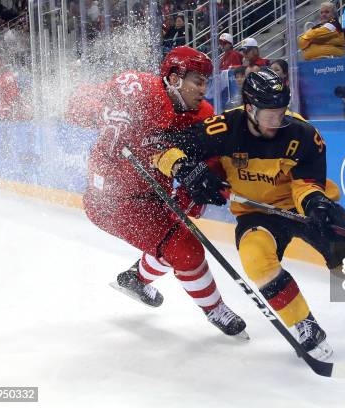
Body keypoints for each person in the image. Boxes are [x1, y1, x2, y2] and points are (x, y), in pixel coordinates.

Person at [152, 68, 345, 361]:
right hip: (257, 214)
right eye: (270, 115)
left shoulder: (303, 134)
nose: (277, 121)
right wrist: (183, 169)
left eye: (282, 112)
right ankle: (303, 323)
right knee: (256, 259)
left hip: (303, 208)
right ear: (250, 108)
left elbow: (307, 183)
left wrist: (316, 206)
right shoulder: (224, 128)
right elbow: (165, 147)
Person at [82, 47, 248, 338]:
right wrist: (104, 112)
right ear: (173, 78)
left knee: (189, 212)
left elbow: (210, 153)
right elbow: (81, 101)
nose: (203, 88)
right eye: (197, 80)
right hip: (113, 201)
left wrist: (211, 177)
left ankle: (136, 279)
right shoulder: (137, 91)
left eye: (207, 81)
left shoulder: (202, 113)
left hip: (150, 194)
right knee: (186, 248)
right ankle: (214, 309)